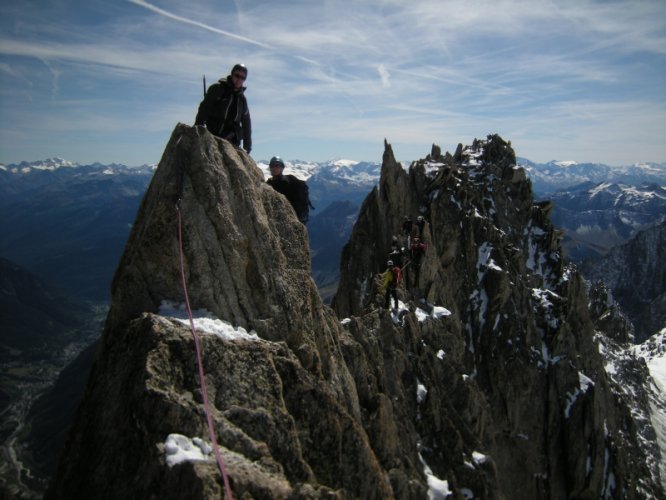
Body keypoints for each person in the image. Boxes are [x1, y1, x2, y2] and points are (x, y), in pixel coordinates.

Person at [195, 63, 252, 153]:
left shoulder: (242, 99)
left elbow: (246, 122)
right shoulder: (217, 89)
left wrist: (247, 145)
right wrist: (198, 127)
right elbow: (204, 109)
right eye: (237, 76)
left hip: (233, 140)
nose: (239, 79)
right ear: (232, 74)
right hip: (214, 134)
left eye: (243, 78)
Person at [266, 156, 313, 224]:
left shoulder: (285, 183)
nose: (274, 168)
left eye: (277, 166)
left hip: (289, 218)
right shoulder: (270, 182)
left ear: (282, 168)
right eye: (272, 165)